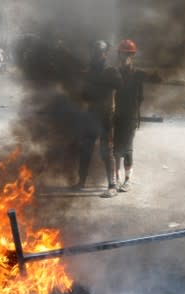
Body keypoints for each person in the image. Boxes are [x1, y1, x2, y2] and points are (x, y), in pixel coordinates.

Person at [77, 40, 121, 197]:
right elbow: (84, 95)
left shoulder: (110, 71)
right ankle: (81, 181)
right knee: (86, 147)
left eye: (99, 52)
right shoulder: (89, 72)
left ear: (105, 54)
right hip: (92, 114)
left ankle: (112, 185)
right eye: (94, 52)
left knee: (106, 150)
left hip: (106, 115)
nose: (96, 55)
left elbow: (119, 85)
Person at [112, 39, 145, 193]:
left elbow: (140, 98)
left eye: (128, 54)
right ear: (119, 55)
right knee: (116, 149)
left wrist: (137, 117)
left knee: (127, 149)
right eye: (123, 54)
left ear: (133, 56)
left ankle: (127, 180)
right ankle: (116, 179)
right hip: (116, 116)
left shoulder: (137, 75)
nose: (125, 57)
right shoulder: (114, 73)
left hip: (130, 117)